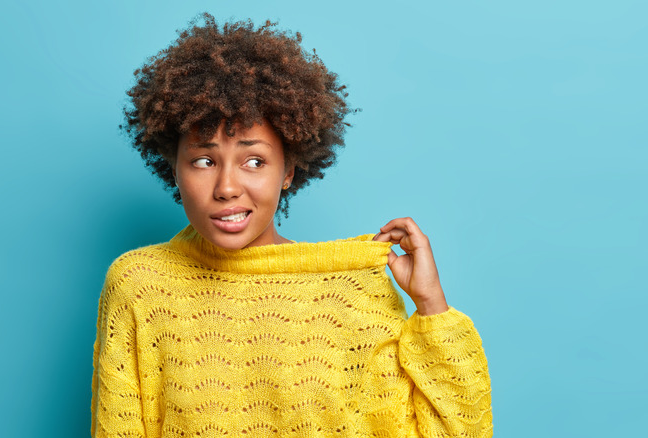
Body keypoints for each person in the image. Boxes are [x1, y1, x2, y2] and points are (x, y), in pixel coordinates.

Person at [92, 14, 492, 437]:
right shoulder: (139, 287)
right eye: (204, 161)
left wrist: (430, 304)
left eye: (254, 161)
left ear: (289, 170)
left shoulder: (354, 294)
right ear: (174, 167)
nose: (227, 187)